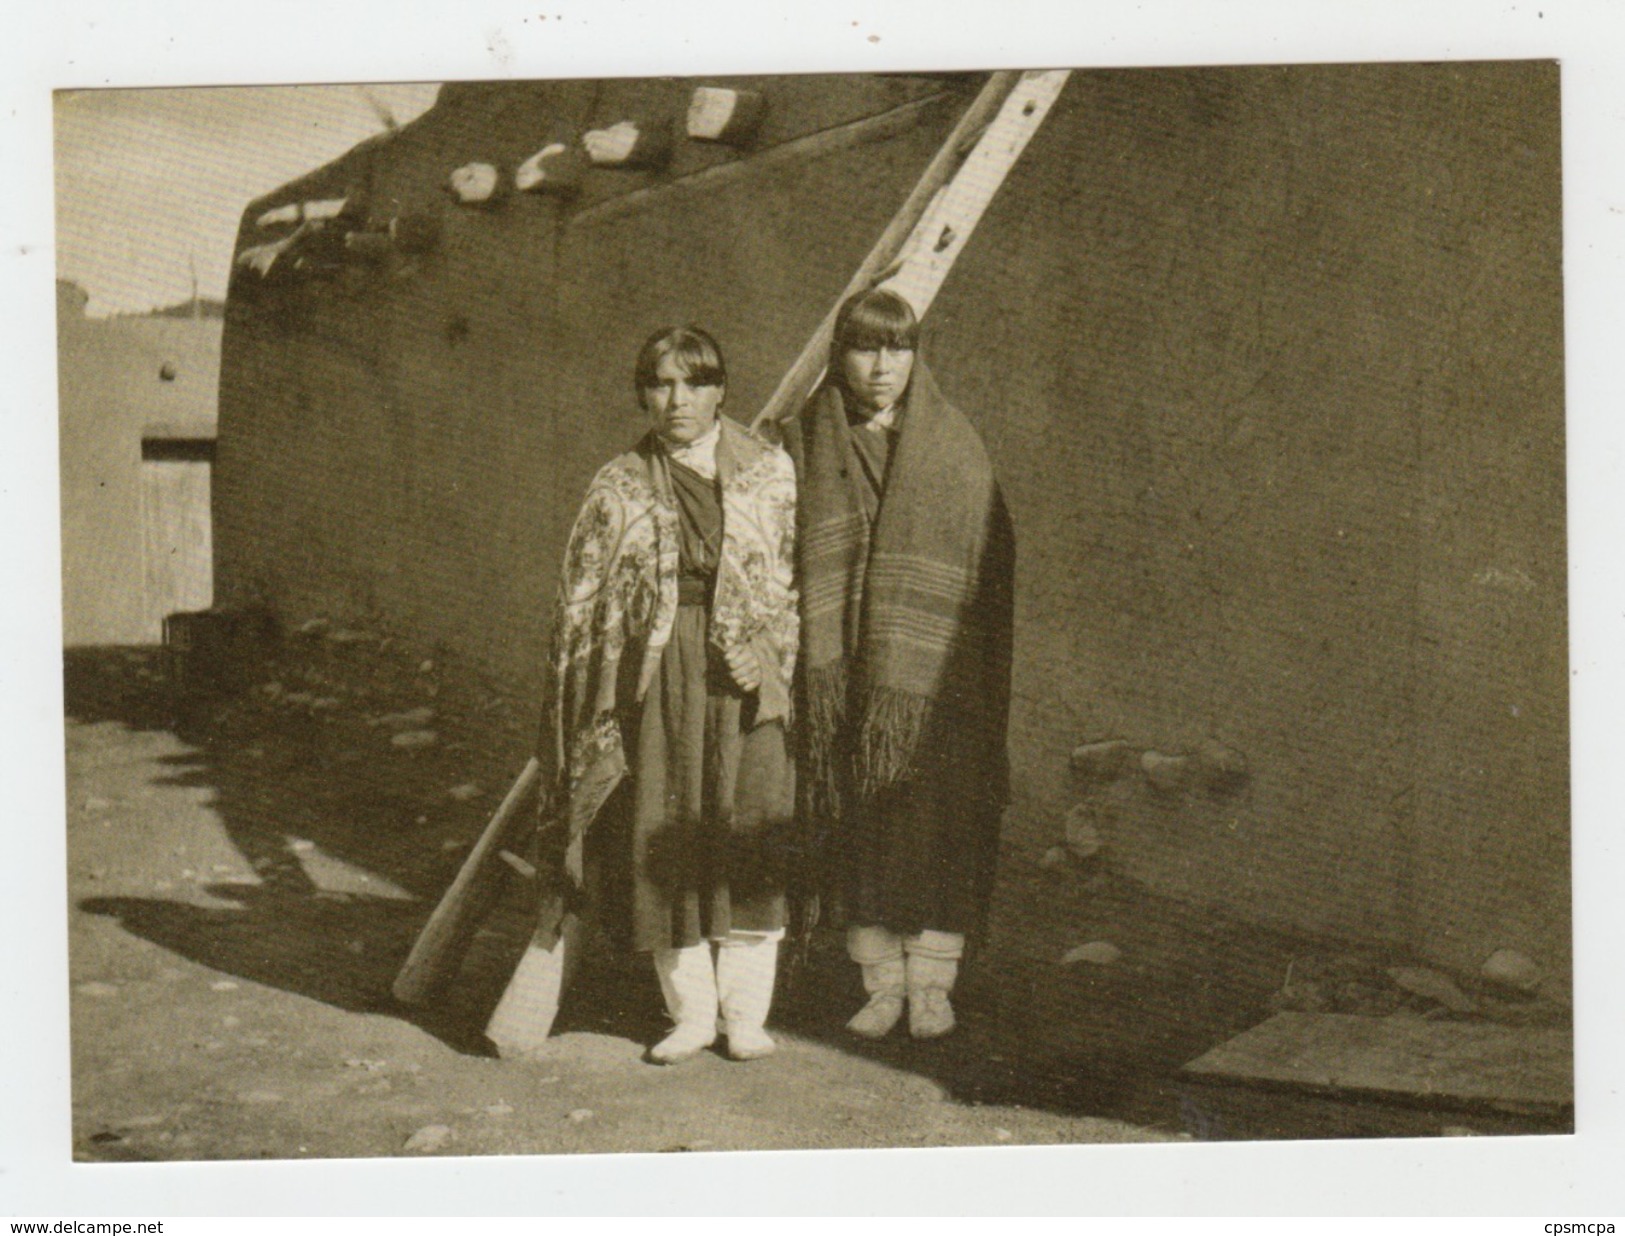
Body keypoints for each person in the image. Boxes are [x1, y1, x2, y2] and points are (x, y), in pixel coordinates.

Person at [521, 326, 799, 1064]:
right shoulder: (618, 485)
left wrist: (770, 656)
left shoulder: (769, 474)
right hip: (658, 670)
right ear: (643, 393)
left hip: (747, 674)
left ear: (720, 391)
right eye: (660, 384)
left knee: (752, 824)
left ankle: (745, 1016)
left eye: (693, 383)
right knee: (660, 826)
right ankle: (690, 1014)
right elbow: (581, 602)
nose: (677, 401)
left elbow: (789, 580)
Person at [783, 288, 1014, 1041]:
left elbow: (991, 567)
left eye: (898, 348)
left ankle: (933, 985)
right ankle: (880, 982)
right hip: (840, 675)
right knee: (858, 824)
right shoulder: (803, 444)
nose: (882, 368)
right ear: (837, 354)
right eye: (863, 347)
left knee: (939, 818)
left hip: (934, 676)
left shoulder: (954, 445)